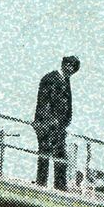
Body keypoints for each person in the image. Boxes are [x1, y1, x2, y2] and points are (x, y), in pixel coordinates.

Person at [31, 55, 79, 189]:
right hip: (46, 125)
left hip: (59, 127)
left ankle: (60, 186)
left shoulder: (66, 80)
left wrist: (65, 121)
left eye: (73, 68)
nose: (71, 69)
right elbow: (43, 102)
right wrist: (46, 122)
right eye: (69, 65)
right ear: (64, 64)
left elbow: (67, 105)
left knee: (60, 155)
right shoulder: (50, 78)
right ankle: (41, 185)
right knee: (45, 153)